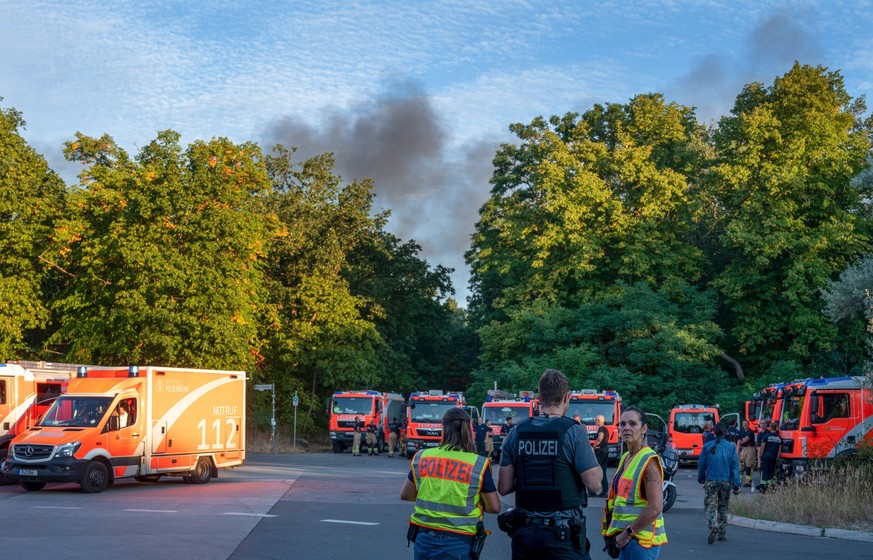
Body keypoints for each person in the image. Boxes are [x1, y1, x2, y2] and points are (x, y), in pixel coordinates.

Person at [498, 369, 602, 560]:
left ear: (539, 398)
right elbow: (595, 485)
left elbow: (503, 488)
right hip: (561, 535)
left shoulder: (515, 432)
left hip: (525, 533)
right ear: (566, 397)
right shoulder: (574, 431)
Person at [401, 407, 500, 560]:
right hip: (458, 541)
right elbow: (494, 507)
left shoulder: (422, 457)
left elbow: (406, 495)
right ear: (469, 429)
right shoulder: (478, 464)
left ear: (443, 428)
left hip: (424, 538)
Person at [602, 406, 667, 559]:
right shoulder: (626, 457)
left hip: (640, 542)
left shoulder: (648, 461)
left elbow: (656, 507)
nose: (626, 428)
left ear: (644, 428)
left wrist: (627, 533)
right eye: (622, 424)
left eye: (633, 424)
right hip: (626, 541)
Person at [698, 423, 741, 544]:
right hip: (726, 481)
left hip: (711, 480)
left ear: (714, 432)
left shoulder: (707, 446)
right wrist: (737, 484)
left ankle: (713, 524)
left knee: (710, 505)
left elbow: (701, 464)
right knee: (723, 506)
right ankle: (722, 533)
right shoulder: (731, 447)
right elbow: (735, 467)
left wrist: (701, 478)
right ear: (726, 433)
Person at [757, 420, 782, 492]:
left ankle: (763, 487)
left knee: (764, 471)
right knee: (771, 472)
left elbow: (762, 446)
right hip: (773, 456)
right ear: (776, 428)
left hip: (765, 456)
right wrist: (777, 458)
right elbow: (779, 450)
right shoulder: (779, 438)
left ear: (770, 428)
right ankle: (770, 487)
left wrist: (760, 456)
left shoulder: (766, 436)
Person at [591, 415, 609, 498]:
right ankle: (604, 491)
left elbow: (600, 438)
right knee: (603, 471)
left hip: (600, 451)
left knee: (596, 471)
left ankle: (594, 491)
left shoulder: (601, 429)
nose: (595, 421)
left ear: (599, 421)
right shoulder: (605, 429)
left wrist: (594, 445)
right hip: (605, 451)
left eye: (595, 420)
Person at [736, 420, 757, 487]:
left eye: (746, 424)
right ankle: (740, 480)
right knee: (742, 464)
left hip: (750, 448)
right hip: (743, 448)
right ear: (742, 425)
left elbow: (745, 440)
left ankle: (748, 482)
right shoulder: (742, 432)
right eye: (744, 424)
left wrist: (738, 442)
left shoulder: (750, 432)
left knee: (749, 465)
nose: (745, 425)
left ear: (748, 424)